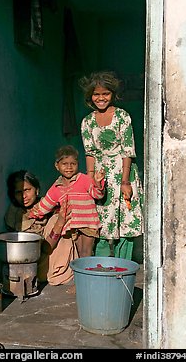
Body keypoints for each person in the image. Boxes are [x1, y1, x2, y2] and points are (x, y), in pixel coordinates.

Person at [79, 70, 144, 260]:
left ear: (112, 94)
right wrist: (91, 180)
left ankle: (122, 269)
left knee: (125, 223)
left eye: (105, 94)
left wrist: (125, 182)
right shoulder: (88, 122)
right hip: (101, 177)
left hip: (123, 174)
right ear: (90, 97)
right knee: (100, 224)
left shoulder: (122, 117)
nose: (101, 98)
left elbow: (127, 150)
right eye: (97, 94)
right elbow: (90, 152)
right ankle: (102, 268)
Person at [29, 145, 106, 260]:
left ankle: (86, 277)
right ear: (57, 166)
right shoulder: (57, 187)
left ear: (78, 165)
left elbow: (97, 194)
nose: (69, 167)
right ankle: (80, 277)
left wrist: (98, 183)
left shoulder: (84, 179)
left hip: (89, 223)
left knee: (87, 253)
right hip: (74, 226)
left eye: (73, 164)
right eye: (64, 164)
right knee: (78, 255)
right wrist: (32, 213)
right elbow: (45, 205)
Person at [4, 169, 74, 285]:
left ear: (36, 190)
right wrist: (60, 222)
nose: (24, 196)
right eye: (18, 192)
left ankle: (61, 272)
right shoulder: (15, 215)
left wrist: (61, 219)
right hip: (33, 267)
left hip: (51, 259)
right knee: (58, 220)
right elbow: (44, 248)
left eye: (27, 190)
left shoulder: (48, 206)